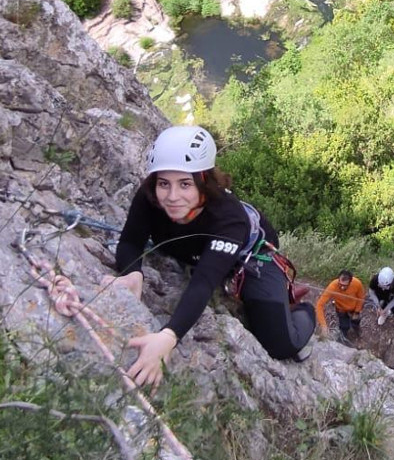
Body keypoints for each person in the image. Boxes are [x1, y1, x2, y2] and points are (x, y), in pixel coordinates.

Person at [111, 125, 316, 389]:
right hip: (202, 253)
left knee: (281, 344)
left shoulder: (228, 218)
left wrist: (168, 336)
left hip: (252, 257)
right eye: (164, 183)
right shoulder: (150, 197)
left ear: (203, 179)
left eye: (185, 184)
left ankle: (303, 310)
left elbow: (204, 282)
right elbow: (131, 241)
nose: (172, 197)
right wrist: (132, 273)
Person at [316, 269, 366, 342]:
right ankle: (344, 337)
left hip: (354, 308)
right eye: (340, 284)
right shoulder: (332, 287)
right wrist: (323, 325)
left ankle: (356, 331)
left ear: (350, 282)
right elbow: (319, 305)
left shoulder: (357, 283)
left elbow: (361, 297)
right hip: (341, 309)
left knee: (356, 321)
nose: (342, 287)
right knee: (344, 326)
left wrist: (357, 311)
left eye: (345, 286)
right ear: (338, 280)